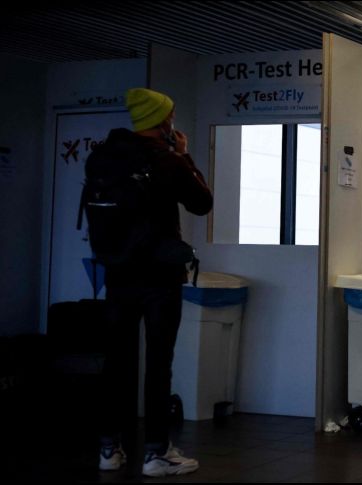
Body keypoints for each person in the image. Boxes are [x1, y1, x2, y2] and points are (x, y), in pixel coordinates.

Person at [89, 88, 212, 477]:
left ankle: (109, 449)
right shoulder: (167, 160)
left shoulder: (103, 157)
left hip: (117, 273)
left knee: (116, 363)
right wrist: (184, 155)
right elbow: (202, 202)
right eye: (170, 115)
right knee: (159, 364)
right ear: (164, 120)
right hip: (159, 276)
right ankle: (156, 453)